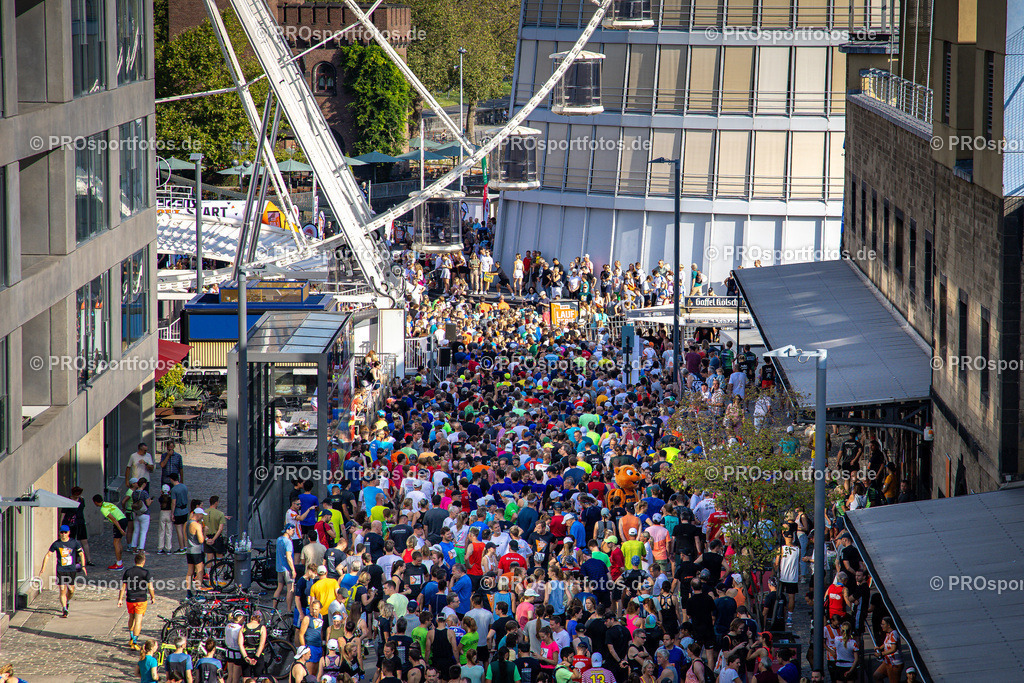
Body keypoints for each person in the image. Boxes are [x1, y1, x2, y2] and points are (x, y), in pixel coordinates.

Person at [39, 524, 87, 618]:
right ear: (59, 533)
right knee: (62, 590)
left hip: (71, 569)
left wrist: (83, 566)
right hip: (61, 569)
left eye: (65, 532)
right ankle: (64, 609)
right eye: (62, 532)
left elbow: (81, 553)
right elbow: (48, 555)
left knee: (71, 590)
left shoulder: (74, 542)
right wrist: (43, 568)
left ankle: (67, 601)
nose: (63, 534)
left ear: (69, 533)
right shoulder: (56, 544)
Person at [118, 551, 155, 650]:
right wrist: (153, 597)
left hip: (130, 599)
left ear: (135, 561)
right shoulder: (146, 573)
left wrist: (120, 599)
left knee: (131, 618)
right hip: (141, 599)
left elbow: (123, 587)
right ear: (143, 562)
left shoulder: (128, 572)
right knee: (138, 621)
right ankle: (134, 642)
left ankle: (131, 637)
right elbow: (150, 587)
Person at [92, 494, 127, 570]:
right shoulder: (108, 504)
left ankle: (119, 564)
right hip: (123, 519)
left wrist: (120, 530)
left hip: (119, 521)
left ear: (95, 502)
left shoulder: (103, 509)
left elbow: (114, 519)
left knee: (116, 542)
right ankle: (120, 562)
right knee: (118, 541)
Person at [61, 486, 93, 566]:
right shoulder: (67, 501)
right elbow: (63, 514)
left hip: (80, 523)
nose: (77, 497)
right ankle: (72, 559)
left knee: (84, 541)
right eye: (76, 495)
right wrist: (61, 525)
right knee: (71, 542)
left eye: (79, 495)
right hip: (70, 524)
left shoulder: (82, 500)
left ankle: (88, 560)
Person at [275, 524, 298, 611]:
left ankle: (273, 608)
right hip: (287, 568)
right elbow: (289, 557)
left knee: (279, 587)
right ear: (288, 530)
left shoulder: (279, 539)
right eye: (292, 530)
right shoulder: (288, 542)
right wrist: (293, 570)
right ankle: (288, 609)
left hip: (279, 567)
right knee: (290, 589)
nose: (294, 532)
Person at [185, 506, 207, 597]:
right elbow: (201, 540)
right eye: (202, 515)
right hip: (197, 550)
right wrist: (204, 531)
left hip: (189, 550)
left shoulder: (187, 523)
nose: (202, 517)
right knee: (199, 571)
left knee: (190, 571)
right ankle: (198, 590)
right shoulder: (197, 525)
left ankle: (188, 591)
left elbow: (185, 538)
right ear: (198, 515)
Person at [169, 473, 191, 553]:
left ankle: (181, 548)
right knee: (185, 530)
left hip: (178, 511)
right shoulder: (184, 487)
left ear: (172, 479)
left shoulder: (174, 490)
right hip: (185, 510)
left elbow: (173, 503)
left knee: (179, 531)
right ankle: (186, 546)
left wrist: (172, 514)